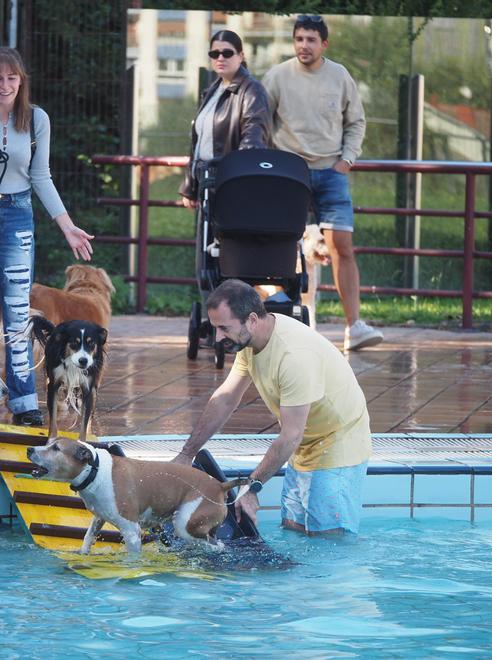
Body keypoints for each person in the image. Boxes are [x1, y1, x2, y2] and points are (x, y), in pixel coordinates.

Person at [0, 46, 94, 428]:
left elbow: (40, 176)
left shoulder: (37, 119)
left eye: (12, 77)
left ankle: (24, 400)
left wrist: (67, 225)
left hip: (18, 214)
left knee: (18, 313)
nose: (4, 85)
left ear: (21, 81)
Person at [171, 279, 371, 535]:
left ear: (252, 320)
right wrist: (186, 454)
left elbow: (290, 435)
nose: (218, 337)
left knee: (330, 539)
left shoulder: (294, 356)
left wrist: (251, 487)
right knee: (294, 529)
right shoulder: (252, 341)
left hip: (339, 441)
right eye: (215, 328)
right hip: (305, 443)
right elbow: (226, 398)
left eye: (223, 328)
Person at [262, 15, 383, 352]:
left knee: (342, 246)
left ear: (324, 44)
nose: (304, 45)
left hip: (331, 171)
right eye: (299, 39)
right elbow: (260, 121)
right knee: (283, 247)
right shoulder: (277, 76)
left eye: (311, 40)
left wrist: (347, 160)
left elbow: (356, 121)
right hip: (290, 173)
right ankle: (283, 325)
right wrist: (271, 163)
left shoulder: (340, 76)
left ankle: (354, 327)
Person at [178, 29, 269, 208]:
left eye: (227, 53)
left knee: (228, 228)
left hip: (231, 186)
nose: (220, 58)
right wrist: (190, 186)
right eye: (215, 54)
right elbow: (199, 142)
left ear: (241, 56)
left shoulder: (252, 90)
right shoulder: (212, 91)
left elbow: (253, 142)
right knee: (207, 228)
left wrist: (235, 181)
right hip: (206, 184)